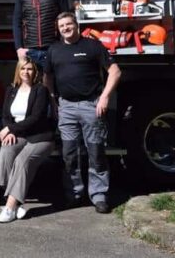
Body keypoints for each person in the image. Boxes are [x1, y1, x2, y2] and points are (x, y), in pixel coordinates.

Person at [44, 12, 122, 214]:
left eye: (68, 24)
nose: (65, 28)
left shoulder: (92, 46)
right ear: (58, 28)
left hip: (90, 105)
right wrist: (53, 101)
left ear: (76, 25)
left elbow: (115, 71)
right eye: (61, 26)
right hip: (66, 108)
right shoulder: (54, 50)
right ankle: (74, 195)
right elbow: (47, 77)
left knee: (96, 152)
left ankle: (99, 196)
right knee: (69, 154)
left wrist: (104, 97)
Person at [0, 57, 55, 223]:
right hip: (21, 135)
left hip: (40, 137)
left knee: (22, 161)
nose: (26, 72)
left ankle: (10, 207)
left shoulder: (40, 90)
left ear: (35, 72)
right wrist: (9, 131)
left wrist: (11, 129)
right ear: (18, 71)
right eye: (23, 68)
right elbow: (5, 116)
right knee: (6, 152)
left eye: (29, 69)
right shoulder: (11, 90)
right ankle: (17, 200)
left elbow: (36, 118)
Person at [13, 0, 71, 69]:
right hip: (29, 49)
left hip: (53, 47)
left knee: (53, 83)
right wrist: (19, 48)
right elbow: (17, 22)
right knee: (32, 84)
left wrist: (64, 44)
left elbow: (66, 18)